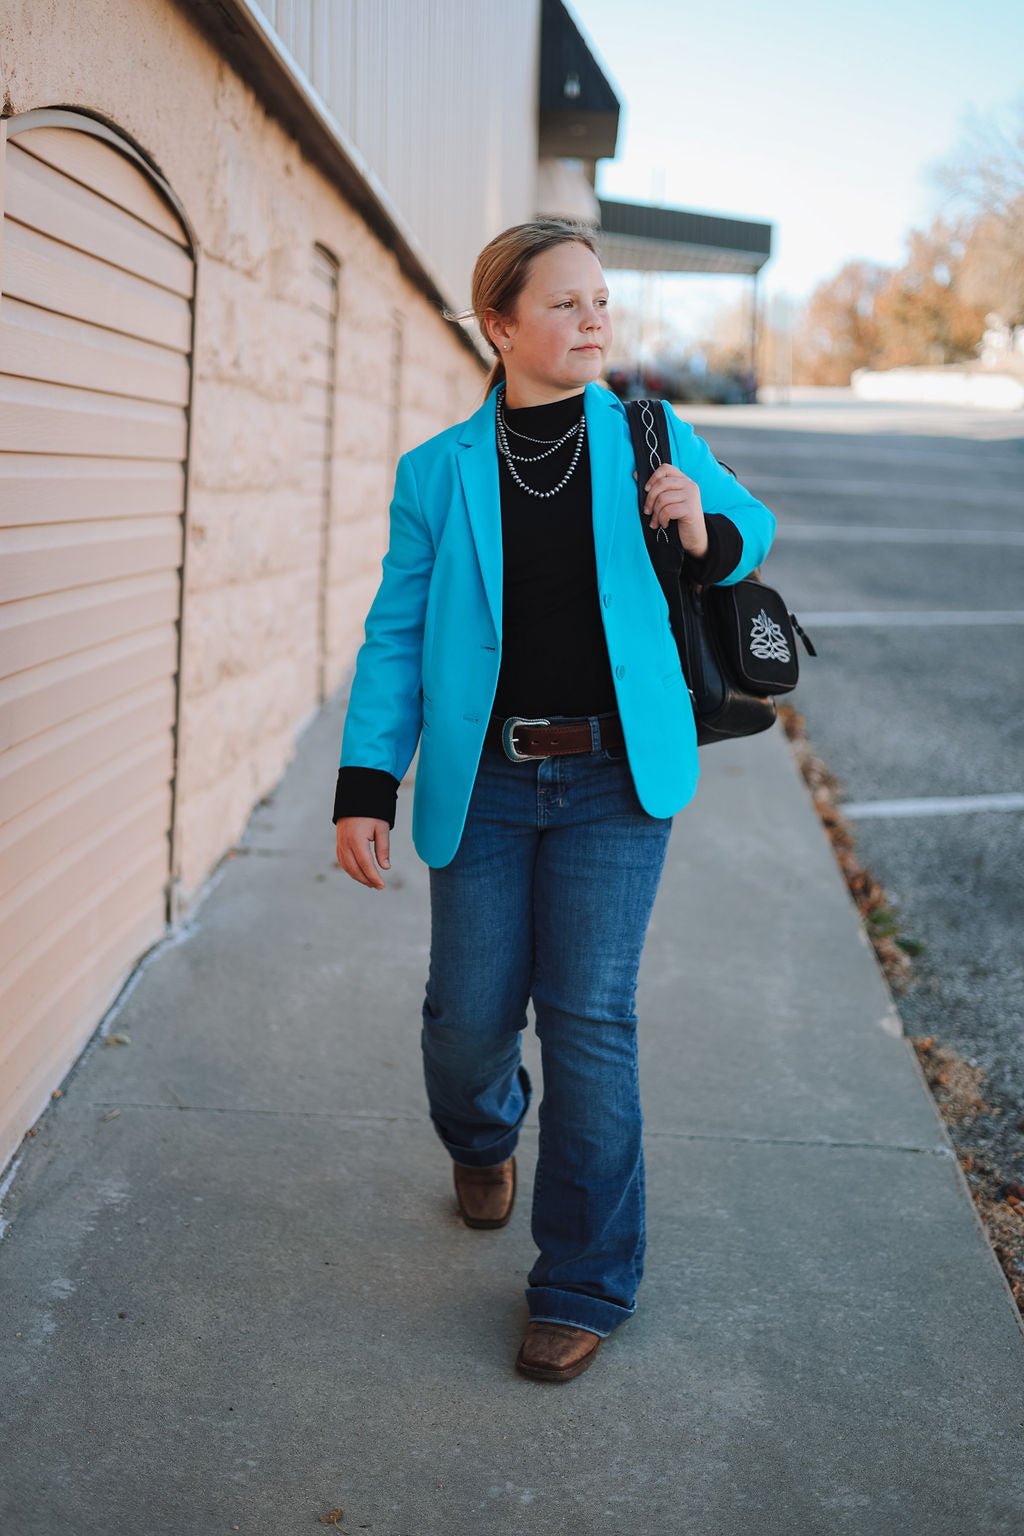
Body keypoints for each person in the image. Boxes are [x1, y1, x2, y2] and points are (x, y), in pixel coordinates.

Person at [333, 219, 776, 1384]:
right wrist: (365, 782)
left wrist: (699, 521)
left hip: (613, 782)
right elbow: (392, 639)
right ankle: (482, 1137)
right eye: (567, 302)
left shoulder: (647, 431)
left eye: (601, 300)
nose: (594, 319)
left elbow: (750, 535)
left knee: (588, 1022)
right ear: (501, 325)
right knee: (467, 1020)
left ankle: (583, 1279)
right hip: (481, 783)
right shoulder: (435, 474)